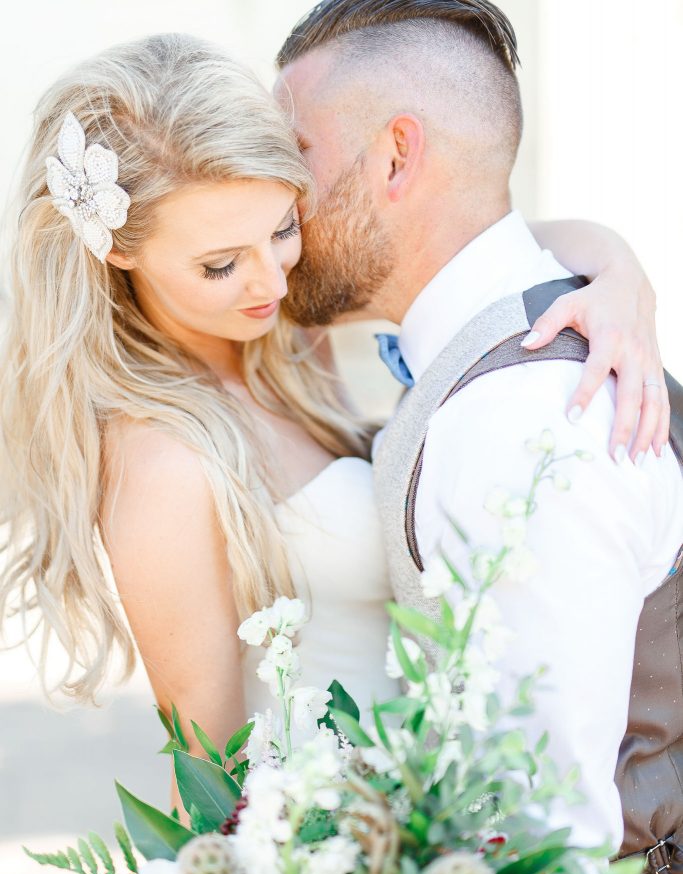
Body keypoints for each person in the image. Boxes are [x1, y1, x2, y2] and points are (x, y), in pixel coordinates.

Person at [0, 32, 667, 778]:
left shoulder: (282, 333)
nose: (272, 283)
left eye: (285, 228)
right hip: (334, 856)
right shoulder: (161, 456)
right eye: (219, 265)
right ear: (118, 251)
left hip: (441, 810)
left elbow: (466, 248)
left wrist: (617, 276)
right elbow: (211, 776)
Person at [275, 0, 683, 874]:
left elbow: (545, 845)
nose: (274, 195)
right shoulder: (510, 340)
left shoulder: (529, 420)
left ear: (394, 155)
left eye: (292, 154)